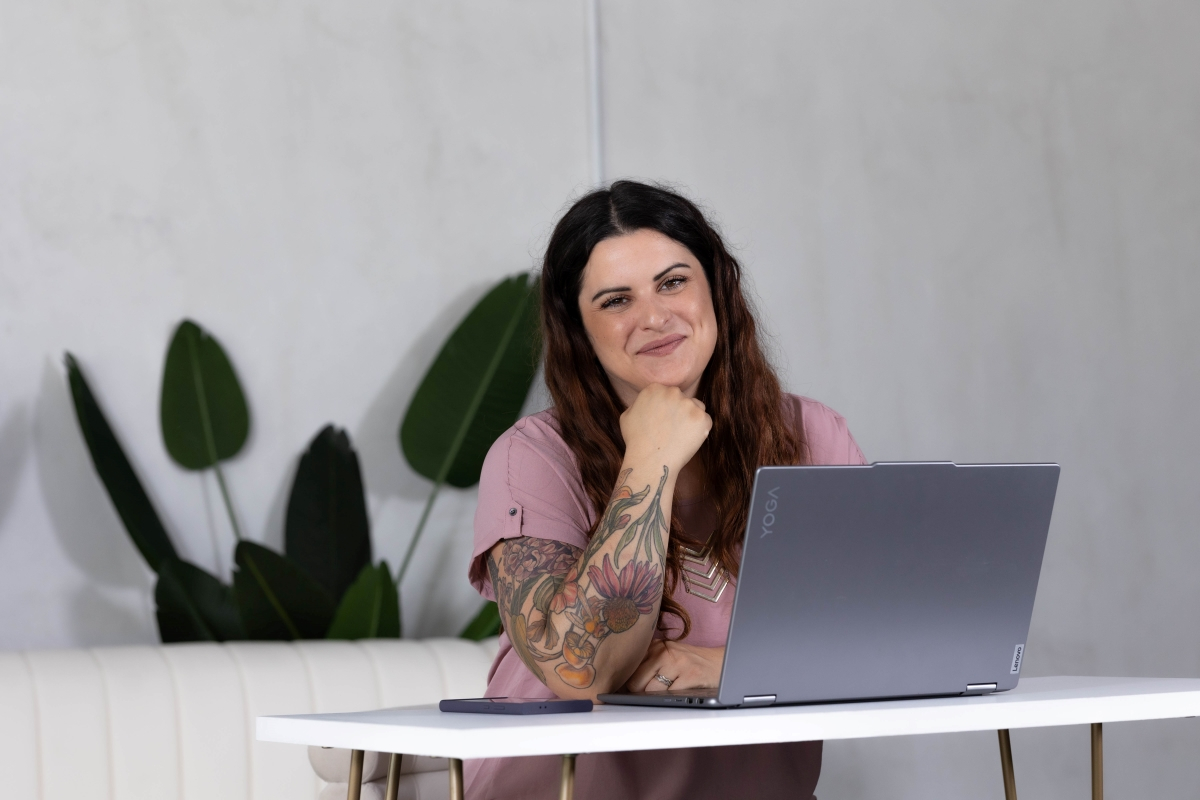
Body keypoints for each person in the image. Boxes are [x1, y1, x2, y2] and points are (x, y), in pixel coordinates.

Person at [466, 180, 866, 800]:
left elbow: (879, 644)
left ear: (717, 290)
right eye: (616, 300)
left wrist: (718, 667)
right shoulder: (532, 458)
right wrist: (649, 461)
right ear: (580, 329)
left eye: (673, 282)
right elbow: (582, 667)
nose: (653, 317)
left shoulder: (810, 435)